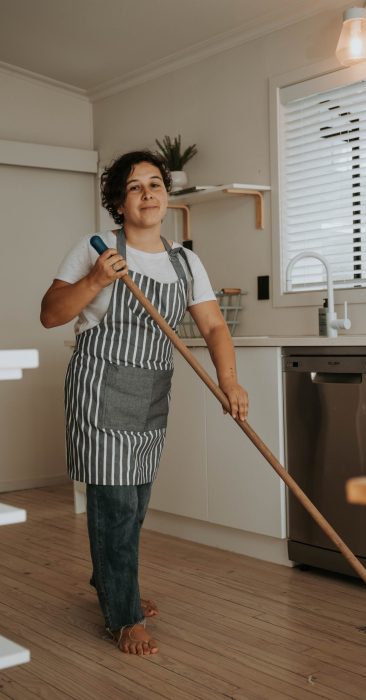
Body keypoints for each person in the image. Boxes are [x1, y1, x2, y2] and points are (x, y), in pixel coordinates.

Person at [40, 150, 248, 656]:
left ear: (167, 196)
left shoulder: (184, 261)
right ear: (118, 200)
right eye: (135, 187)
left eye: (155, 184)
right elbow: (50, 315)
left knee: (134, 508)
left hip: (152, 392)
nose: (148, 193)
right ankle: (122, 614)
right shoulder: (95, 251)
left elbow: (214, 325)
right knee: (114, 507)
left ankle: (112, 582)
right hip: (100, 391)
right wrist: (95, 281)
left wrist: (230, 380)